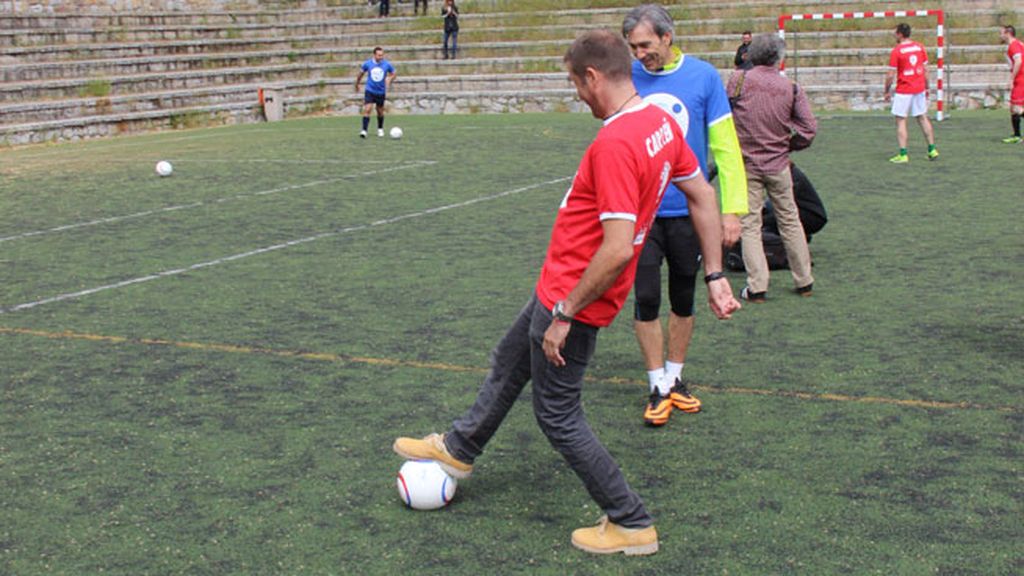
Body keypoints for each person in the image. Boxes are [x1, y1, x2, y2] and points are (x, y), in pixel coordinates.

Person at [393, 29, 740, 556]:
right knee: (510, 360)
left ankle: (630, 520)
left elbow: (619, 247)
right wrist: (715, 273)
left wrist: (565, 312)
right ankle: (459, 448)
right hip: (562, 286)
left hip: (574, 295)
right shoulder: (661, 124)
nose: (577, 94)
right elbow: (701, 193)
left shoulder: (616, 142)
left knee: (557, 413)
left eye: (575, 83)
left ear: (593, 77)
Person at [621, 4, 748, 427]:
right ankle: (656, 383)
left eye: (645, 45)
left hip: (688, 211)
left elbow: (726, 148)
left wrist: (732, 208)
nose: (640, 54)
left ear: (666, 37)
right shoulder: (626, 78)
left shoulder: (704, 77)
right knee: (646, 298)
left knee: (683, 296)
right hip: (640, 213)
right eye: (633, 47)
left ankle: (675, 378)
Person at [727, 33, 816, 302]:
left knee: (750, 225)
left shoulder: (738, 81)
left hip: (747, 164)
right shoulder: (790, 87)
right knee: (790, 220)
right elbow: (809, 128)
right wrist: (790, 145)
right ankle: (804, 280)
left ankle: (757, 285)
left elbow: (724, 115)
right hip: (778, 164)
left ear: (750, 55)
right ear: (780, 57)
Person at [883, 23, 939, 163]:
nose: (894, 35)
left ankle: (903, 154)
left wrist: (886, 90)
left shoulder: (897, 51)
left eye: (895, 32)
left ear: (900, 34)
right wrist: (927, 87)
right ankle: (932, 149)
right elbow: (926, 70)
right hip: (919, 87)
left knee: (901, 120)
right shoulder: (920, 47)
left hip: (904, 89)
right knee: (922, 117)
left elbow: (890, 74)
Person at [354, 46, 396, 138]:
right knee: (367, 109)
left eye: (382, 55)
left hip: (380, 91)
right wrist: (357, 84)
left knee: (380, 111)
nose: (381, 57)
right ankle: (364, 130)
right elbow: (360, 74)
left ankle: (380, 129)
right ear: (374, 55)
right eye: (379, 55)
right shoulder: (368, 64)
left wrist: (389, 79)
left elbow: (394, 73)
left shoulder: (386, 64)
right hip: (370, 90)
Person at [999, 25, 1023, 143]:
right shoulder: (1019, 43)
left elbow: (1019, 61)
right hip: (1021, 79)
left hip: (1020, 80)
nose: (1000, 35)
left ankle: (1017, 136)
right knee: (1014, 109)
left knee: (1017, 108)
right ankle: (1017, 136)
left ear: (1008, 33)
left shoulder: (1013, 46)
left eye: (1001, 33)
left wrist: (1011, 79)